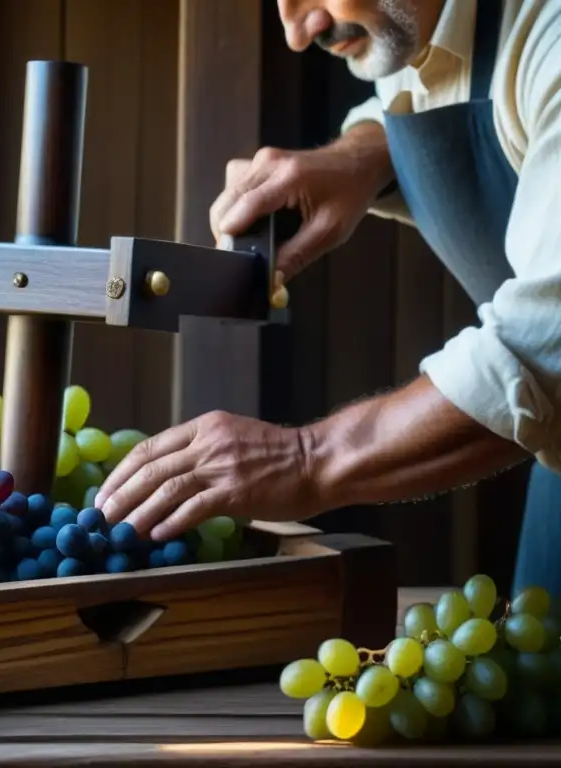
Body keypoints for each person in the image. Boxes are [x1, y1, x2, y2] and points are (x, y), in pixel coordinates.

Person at [95, 0, 561, 595]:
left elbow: (543, 350)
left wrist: (305, 459)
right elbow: (424, 93)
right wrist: (358, 156)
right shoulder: (414, 24)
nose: (298, 31)